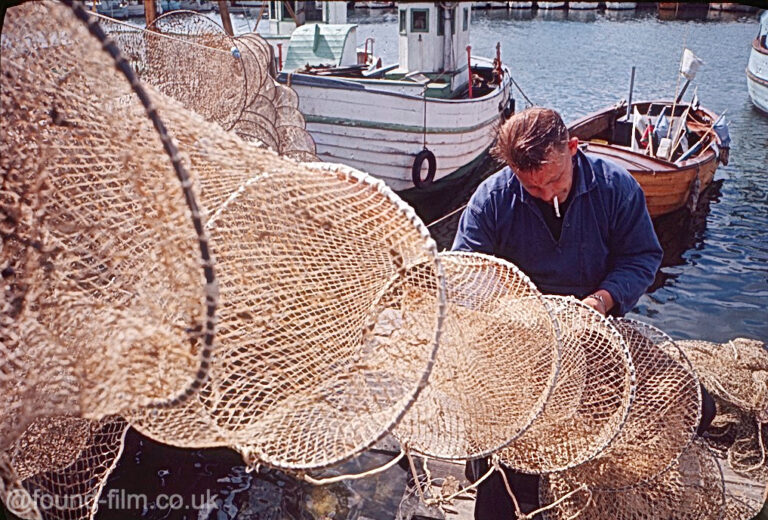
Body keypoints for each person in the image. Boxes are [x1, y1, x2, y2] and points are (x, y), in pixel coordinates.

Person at [452, 107, 713, 519]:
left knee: (697, 406)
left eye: (554, 180)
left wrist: (602, 300)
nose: (547, 193)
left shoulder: (616, 188)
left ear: (573, 149)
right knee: (511, 456)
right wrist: (512, 311)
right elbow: (466, 274)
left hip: (595, 328)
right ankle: (494, 472)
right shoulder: (491, 199)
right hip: (519, 338)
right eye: (532, 187)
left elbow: (642, 257)